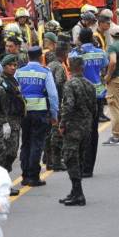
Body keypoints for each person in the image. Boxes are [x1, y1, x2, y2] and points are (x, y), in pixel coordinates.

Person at [15, 46, 59, 186]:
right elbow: (53, 95)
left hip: (24, 113)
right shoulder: (45, 72)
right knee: (37, 144)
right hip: (40, 112)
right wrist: (54, 114)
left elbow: (15, 91)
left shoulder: (19, 72)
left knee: (26, 143)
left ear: (28, 57)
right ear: (40, 57)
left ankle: (25, 176)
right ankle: (33, 177)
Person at [58, 56, 97, 206]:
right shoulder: (90, 84)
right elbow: (95, 108)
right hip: (86, 126)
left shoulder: (70, 84)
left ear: (69, 68)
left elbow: (68, 105)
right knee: (79, 158)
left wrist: (62, 123)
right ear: (83, 68)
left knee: (70, 158)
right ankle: (74, 191)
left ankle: (78, 193)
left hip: (73, 127)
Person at [71, 28, 107, 176]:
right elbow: (104, 66)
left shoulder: (75, 54)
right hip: (97, 95)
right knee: (93, 130)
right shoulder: (100, 52)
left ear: (79, 38)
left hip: (80, 94)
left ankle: (81, 164)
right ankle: (89, 168)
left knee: (80, 129)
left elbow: (71, 66)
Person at [0, 54, 25, 189]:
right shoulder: (0, 81)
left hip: (15, 119)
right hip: (7, 120)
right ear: (4, 66)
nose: (13, 68)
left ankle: (4, 180)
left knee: (12, 152)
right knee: (7, 152)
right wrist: (3, 122)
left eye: (15, 65)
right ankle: (2, 183)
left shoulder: (13, 80)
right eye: (10, 65)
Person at [45, 41, 69, 171]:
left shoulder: (49, 65)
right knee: (57, 133)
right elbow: (59, 83)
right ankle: (56, 162)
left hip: (47, 103)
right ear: (64, 54)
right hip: (57, 102)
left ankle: (49, 160)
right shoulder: (59, 67)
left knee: (49, 133)